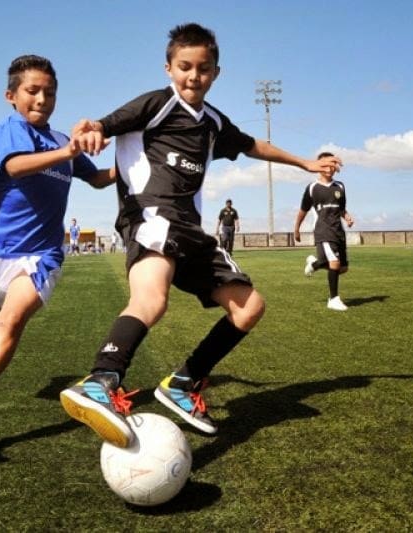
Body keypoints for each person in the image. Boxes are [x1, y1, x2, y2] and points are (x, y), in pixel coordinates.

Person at [59, 23, 342, 448]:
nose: (193, 76)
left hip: (192, 231)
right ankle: (100, 380)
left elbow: (252, 145)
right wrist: (89, 129)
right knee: (151, 299)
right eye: (185, 67)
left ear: (216, 72)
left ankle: (183, 383)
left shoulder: (212, 123)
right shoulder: (155, 104)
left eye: (203, 68)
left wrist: (304, 163)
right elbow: (102, 124)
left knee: (249, 308)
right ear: (169, 67)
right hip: (150, 217)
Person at [0, 54, 114, 448]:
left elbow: (97, 179)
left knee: (8, 324)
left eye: (50, 92)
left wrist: (138, 164)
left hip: (40, 255)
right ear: (11, 95)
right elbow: (16, 167)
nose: (42, 99)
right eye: (33, 91)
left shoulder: (64, 142)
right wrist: (68, 154)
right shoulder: (8, 130)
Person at [293, 152, 354, 312]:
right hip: (323, 230)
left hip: (338, 231)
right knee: (334, 263)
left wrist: (347, 217)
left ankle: (314, 264)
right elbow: (302, 211)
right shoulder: (312, 188)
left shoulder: (340, 186)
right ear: (318, 166)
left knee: (342, 268)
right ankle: (333, 299)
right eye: (325, 164)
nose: (329, 168)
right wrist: (296, 229)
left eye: (332, 164)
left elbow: (341, 208)